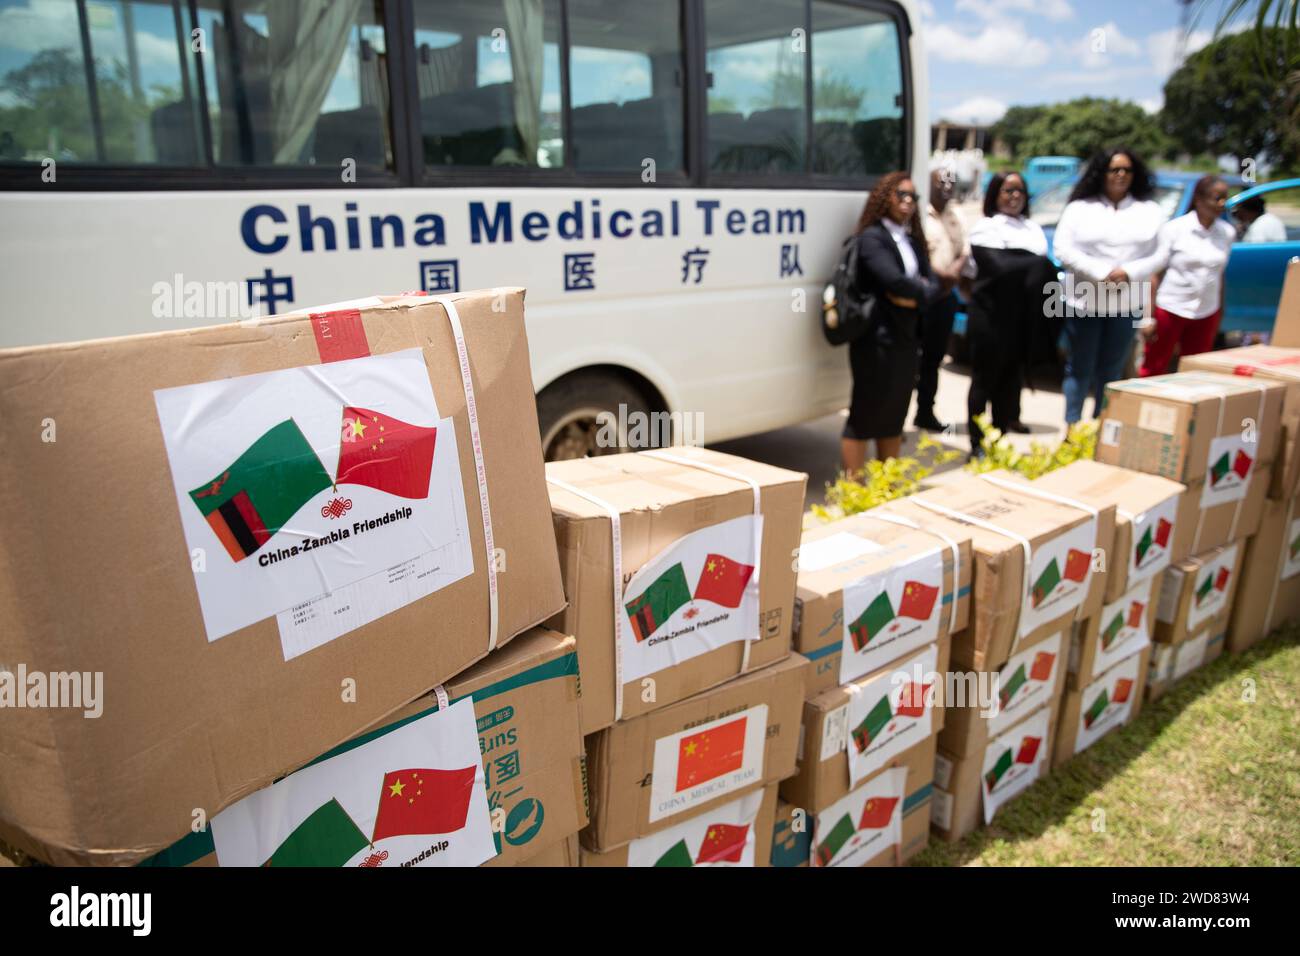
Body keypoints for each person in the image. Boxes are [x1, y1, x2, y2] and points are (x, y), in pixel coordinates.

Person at [1053, 147, 1165, 424]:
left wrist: (1128, 271)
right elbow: (1062, 248)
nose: (1121, 175)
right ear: (1101, 173)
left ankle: (1102, 426)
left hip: (1125, 305)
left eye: (1127, 170)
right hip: (1084, 302)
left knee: (1111, 371)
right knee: (1079, 368)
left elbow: (1161, 253)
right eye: (1114, 169)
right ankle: (1073, 427)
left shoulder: (1149, 210)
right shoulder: (1080, 208)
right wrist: (1100, 271)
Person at [841, 171, 939, 473]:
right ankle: (855, 488)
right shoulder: (872, 238)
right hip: (876, 339)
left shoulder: (911, 239)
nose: (908, 202)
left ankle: (886, 483)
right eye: (901, 195)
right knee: (866, 412)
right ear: (885, 199)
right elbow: (893, 281)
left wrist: (915, 294)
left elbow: (932, 286)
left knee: (894, 414)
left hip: (906, 338)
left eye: (913, 197)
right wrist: (916, 291)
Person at [963, 171, 1055, 453]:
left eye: (1019, 191)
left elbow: (1036, 274)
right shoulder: (985, 228)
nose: (1014, 196)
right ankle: (977, 443)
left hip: (1019, 321)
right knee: (983, 382)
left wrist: (1028, 267)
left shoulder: (1033, 230)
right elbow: (998, 269)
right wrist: (1035, 266)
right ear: (995, 194)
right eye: (1008, 190)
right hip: (989, 318)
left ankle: (999, 438)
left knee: (1008, 383)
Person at [1134, 176, 1235, 376]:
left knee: (1195, 370)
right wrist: (1148, 317)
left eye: (1225, 198)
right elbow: (1154, 275)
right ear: (1198, 199)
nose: (1222, 204)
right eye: (1217, 198)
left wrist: (1220, 311)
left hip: (1206, 311)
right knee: (1155, 366)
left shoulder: (1226, 233)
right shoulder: (1175, 229)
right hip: (1171, 307)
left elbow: (1219, 274)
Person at [916, 166, 970, 432]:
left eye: (950, 184)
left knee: (934, 358)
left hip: (946, 295)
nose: (946, 188)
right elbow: (918, 253)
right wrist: (940, 275)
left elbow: (964, 250)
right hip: (923, 295)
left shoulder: (956, 215)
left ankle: (925, 411)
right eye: (941, 183)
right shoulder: (919, 214)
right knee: (912, 358)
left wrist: (952, 274)